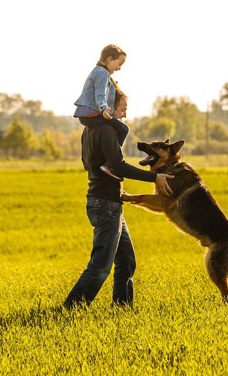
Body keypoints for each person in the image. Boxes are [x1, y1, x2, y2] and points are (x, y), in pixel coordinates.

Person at [64, 90, 174, 309]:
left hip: (107, 201)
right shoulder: (105, 130)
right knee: (101, 266)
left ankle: (122, 308)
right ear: (109, 108)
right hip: (106, 204)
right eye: (122, 110)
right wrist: (154, 176)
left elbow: (89, 164)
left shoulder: (89, 130)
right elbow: (118, 166)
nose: (124, 115)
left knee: (126, 261)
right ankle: (71, 308)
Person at [74, 44, 129, 180]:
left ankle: (108, 160)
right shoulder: (102, 73)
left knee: (115, 128)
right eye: (119, 63)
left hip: (89, 114)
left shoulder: (99, 72)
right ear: (109, 59)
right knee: (123, 128)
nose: (119, 68)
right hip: (93, 113)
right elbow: (100, 94)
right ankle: (110, 163)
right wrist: (104, 109)